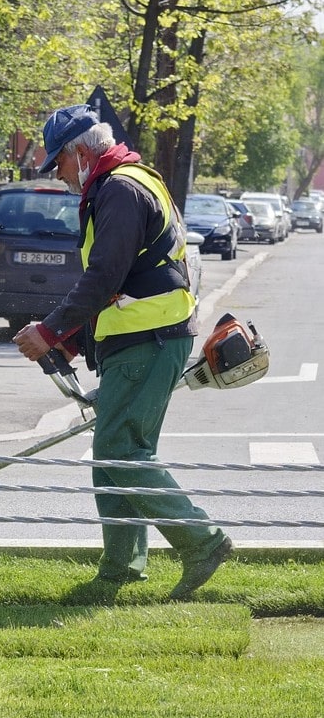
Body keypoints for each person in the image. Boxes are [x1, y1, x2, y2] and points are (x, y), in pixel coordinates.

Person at [14, 104, 233, 599]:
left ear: (80, 152)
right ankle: (121, 570)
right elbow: (125, 281)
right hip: (146, 337)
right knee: (116, 454)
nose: (61, 175)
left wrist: (50, 332)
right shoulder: (128, 182)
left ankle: (201, 542)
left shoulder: (118, 190)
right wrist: (71, 339)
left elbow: (105, 276)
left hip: (148, 340)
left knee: (119, 451)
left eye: (60, 163)